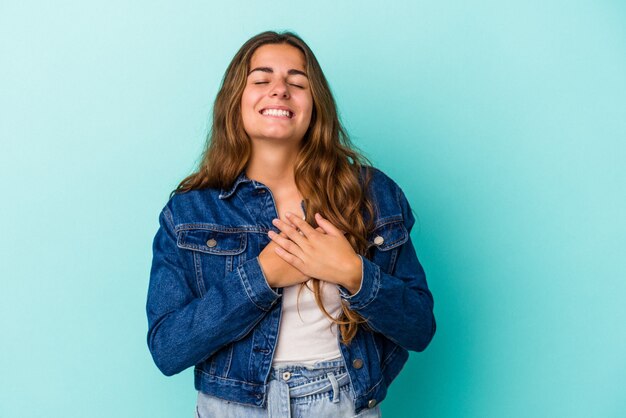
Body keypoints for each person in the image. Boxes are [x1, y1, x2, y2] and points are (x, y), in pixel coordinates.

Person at [146, 30, 436, 418]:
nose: (279, 90)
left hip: (342, 401)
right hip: (232, 408)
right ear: (236, 101)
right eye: (262, 79)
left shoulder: (371, 194)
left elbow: (419, 327)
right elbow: (168, 349)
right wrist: (262, 276)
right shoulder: (189, 212)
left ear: (315, 104)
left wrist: (352, 273)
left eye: (297, 82)